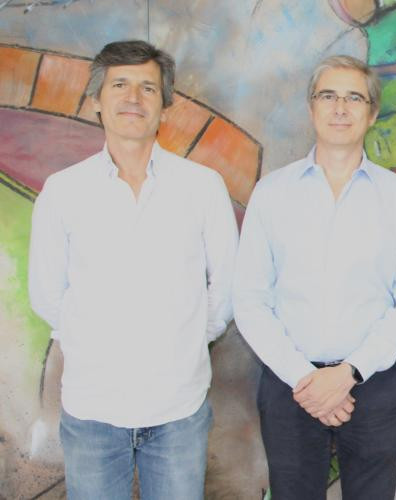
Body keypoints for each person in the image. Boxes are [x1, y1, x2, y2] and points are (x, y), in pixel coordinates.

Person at [28, 40, 238, 499]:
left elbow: (226, 284)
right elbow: (47, 293)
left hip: (179, 409)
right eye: (119, 85)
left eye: (148, 88)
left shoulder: (202, 187)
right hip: (92, 409)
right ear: (96, 100)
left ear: (164, 105)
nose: (133, 98)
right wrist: (94, 344)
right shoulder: (63, 191)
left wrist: (186, 341)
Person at [232, 55, 396, 499]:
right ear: (311, 108)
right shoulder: (273, 193)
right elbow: (249, 299)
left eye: (354, 98)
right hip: (290, 386)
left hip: (372, 384)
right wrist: (305, 379)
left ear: (372, 113)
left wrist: (349, 373)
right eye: (328, 96)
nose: (340, 108)